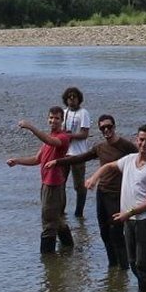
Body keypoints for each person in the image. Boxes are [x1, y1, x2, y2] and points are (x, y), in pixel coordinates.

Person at [48, 114, 138, 268]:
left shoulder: (126, 146)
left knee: (116, 233)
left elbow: (140, 161)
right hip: (102, 193)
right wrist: (57, 162)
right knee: (104, 232)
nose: (106, 130)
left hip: (117, 195)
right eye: (103, 128)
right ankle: (112, 266)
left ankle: (124, 268)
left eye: (109, 126)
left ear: (114, 127)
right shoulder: (100, 148)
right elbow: (80, 158)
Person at [87, 124, 146, 292]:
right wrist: (94, 178)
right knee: (132, 262)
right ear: (136, 140)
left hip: (144, 221)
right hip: (129, 221)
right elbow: (108, 166)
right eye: (141, 140)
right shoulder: (129, 160)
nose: (144, 144)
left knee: (145, 264)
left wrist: (128, 213)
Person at [4, 106, 74, 253]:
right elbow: (37, 159)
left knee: (49, 223)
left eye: (57, 118)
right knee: (58, 219)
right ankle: (69, 248)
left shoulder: (63, 137)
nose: (53, 120)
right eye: (51, 118)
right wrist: (17, 161)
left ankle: (48, 260)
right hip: (46, 184)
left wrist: (30, 127)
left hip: (54, 184)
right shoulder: (48, 140)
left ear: (62, 120)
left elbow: (49, 140)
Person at [61, 87, 93, 218]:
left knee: (79, 185)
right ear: (66, 99)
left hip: (79, 154)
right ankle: (60, 210)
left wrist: (70, 136)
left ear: (79, 99)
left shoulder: (83, 113)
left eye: (74, 97)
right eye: (69, 97)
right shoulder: (64, 112)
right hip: (64, 153)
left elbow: (84, 134)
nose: (72, 99)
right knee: (60, 183)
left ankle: (79, 212)